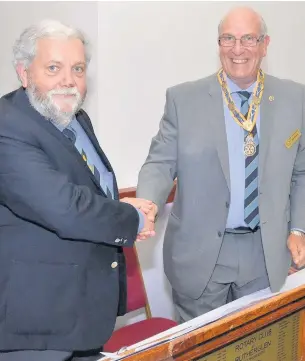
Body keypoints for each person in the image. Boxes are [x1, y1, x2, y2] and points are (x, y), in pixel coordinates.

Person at [136, 6, 305, 323]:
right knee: (203, 351)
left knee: (259, 347)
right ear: (218, 44)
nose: (237, 49)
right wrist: (146, 204)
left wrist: (299, 228)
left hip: (265, 253)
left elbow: (302, 171)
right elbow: (159, 161)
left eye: (248, 39)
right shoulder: (183, 99)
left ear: (265, 44)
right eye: (228, 38)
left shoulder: (295, 98)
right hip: (199, 256)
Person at [0, 20, 155, 361]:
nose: (69, 80)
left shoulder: (74, 117)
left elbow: (89, 190)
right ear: (24, 73)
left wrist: (125, 206)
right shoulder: (7, 125)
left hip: (82, 315)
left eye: (78, 68)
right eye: (53, 68)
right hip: (38, 327)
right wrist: (131, 218)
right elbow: (63, 207)